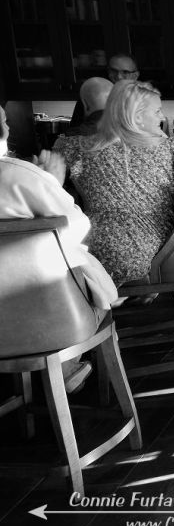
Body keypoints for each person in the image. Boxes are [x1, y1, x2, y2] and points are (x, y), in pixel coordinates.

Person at [0, 104, 118, 393]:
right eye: (4, 121)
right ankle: (65, 370)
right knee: (74, 277)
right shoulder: (19, 176)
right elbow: (76, 228)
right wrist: (52, 182)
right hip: (48, 317)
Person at [55, 80, 174, 285]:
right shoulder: (171, 149)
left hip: (96, 257)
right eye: (157, 111)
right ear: (137, 116)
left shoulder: (74, 147)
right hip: (159, 254)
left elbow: (49, 195)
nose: (162, 117)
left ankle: (104, 300)